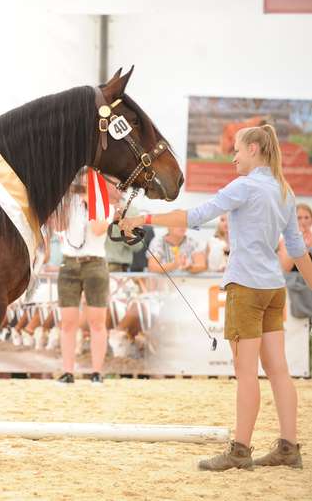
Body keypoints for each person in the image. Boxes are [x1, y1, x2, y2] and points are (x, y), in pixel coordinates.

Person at [120, 125, 311, 471]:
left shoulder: (245, 187)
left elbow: (194, 216)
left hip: (246, 287)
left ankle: (240, 450)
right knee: (279, 370)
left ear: (254, 148)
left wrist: (143, 218)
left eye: (237, 150)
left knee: (246, 373)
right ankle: (288, 446)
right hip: (273, 288)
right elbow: (297, 250)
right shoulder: (284, 190)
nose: (233, 156)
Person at [55, 176, 111, 384]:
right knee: (68, 322)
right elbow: (59, 227)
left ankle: (96, 372)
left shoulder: (105, 206)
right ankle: (68, 372)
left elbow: (97, 229)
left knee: (97, 321)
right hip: (69, 263)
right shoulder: (69, 205)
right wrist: (66, 201)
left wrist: (91, 203)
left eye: (87, 186)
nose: (81, 189)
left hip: (95, 264)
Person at [277, 203, 312, 272]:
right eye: (299, 218)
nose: (303, 221)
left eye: (306, 217)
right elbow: (285, 268)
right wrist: (299, 244)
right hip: (292, 280)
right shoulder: (285, 240)